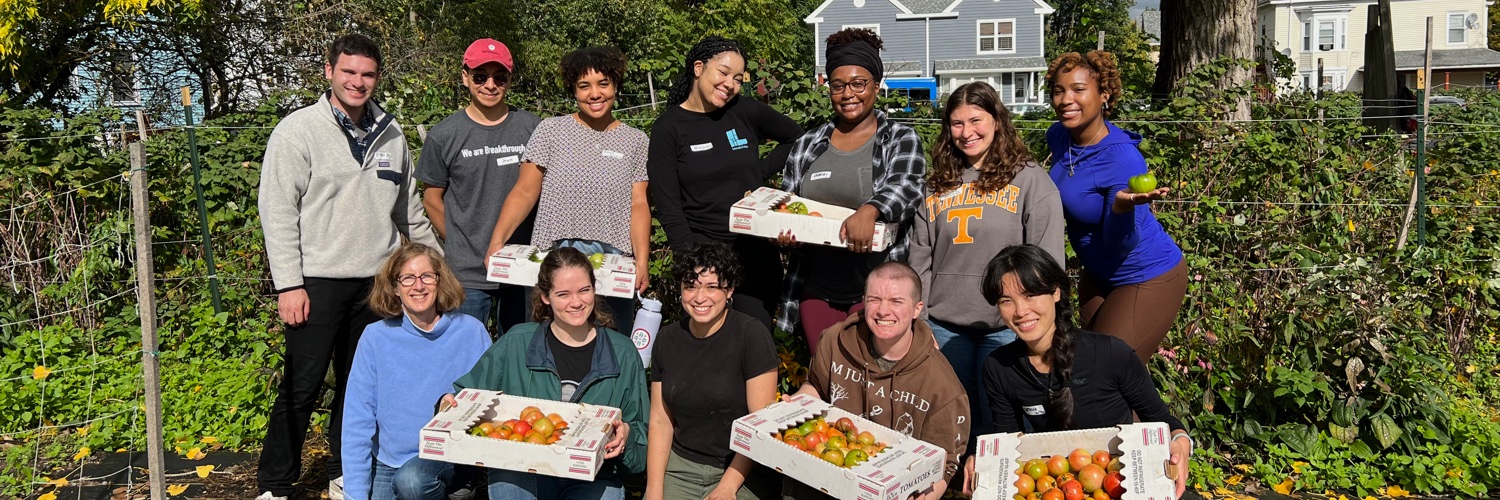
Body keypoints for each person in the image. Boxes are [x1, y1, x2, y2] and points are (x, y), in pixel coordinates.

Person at [256, 33, 440, 500]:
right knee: (303, 384)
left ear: (378, 77)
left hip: (377, 283)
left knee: (360, 388)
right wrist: (289, 284)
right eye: (349, 72)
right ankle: (275, 484)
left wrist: (438, 266)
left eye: (368, 74)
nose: (358, 82)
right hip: (316, 282)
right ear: (329, 72)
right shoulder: (298, 131)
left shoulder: (392, 135)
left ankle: (347, 473)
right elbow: (277, 211)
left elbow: (409, 212)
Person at [960, 244, 1191, 498]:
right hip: (1054, 487)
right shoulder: (999, 367)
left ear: (1056, 292)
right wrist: (985, 461)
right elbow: (1008, 441)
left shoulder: (1111, 354)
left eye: (1030, 295)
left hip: (1121, 483)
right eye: (1006, 301)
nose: (1021, 311)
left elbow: (1163, 420)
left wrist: (1181, 442)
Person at [908, 81, 1065, 443]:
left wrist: (1035, 320)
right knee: (956, 416)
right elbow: (920, 257)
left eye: (976, 120)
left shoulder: (1030, 181)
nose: (967, 133)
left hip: (1007, 324)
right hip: (946, 324)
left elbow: (1046, 258)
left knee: (1004, 421)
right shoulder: (936, 185)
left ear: (997, 120)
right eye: (957, 123)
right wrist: (922, 319)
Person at [447, 247, 647, 500]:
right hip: (522, 468)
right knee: (509, 486)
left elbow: (641, 441)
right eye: (563, 294)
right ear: (545, 297)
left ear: (595, 290)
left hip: (594, 476)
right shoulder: (517, 342)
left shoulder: (623, 353)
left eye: (584, 290)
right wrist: (449, 404)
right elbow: (468, 396)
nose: (576, 302)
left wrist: (626, 437)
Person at [775, 28, 926, 350]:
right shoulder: (806, 145)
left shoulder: (899, 138)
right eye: (838, 85)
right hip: (816, 290)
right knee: (829, 379)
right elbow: (790, 203)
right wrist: (783, 233)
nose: (848, 94)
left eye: (859, 84)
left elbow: (908, 187)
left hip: (878, 293)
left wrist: (870, 210)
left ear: (876, 85)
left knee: (877, 381)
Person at [486, 46, 650, 329]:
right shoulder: (551, 131)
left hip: (613, 261)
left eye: (603, 84)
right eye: (584, 86)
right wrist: (497, 241)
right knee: (549, 341)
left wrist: (642, 260)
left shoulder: (636, 140)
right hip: (555, 253)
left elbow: (639, 204)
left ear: (616, 85)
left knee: (611, 343)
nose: (594, 94)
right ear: (573, 91)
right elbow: (525, 191)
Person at [647, 36, 804, 331]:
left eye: (737, 78)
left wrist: (757, 175)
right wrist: (695, 268)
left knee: (754, 344)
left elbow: (797, 138)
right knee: (707, 353)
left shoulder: (744, 111)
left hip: (755, 255)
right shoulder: (669, 129)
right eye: (723, 72)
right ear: (698, 68)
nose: (730, 84)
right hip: (703, 257)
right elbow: (669, 209)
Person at [1045, 51, 1187, 363]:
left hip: (1144, 274)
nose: (1066, 99)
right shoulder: (1059, 137)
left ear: (1104, 96)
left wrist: (1121, 209)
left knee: (1106, 376)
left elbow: (1119, 246)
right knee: (1086, 374)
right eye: (1059, 90)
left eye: (1079, 90)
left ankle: (1156, 416)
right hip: (1097, 275)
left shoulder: (1121, 159)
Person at [787, 262, 969, 500]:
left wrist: (930, 493)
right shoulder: (834, 341)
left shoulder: (942, 384)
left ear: (917, 309)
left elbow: (945, 461)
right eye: (874, 299)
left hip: (895, 486)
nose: (883, 311)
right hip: (829, 471)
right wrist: (796, 405)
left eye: (896, 301)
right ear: (863, 300)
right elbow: (815, 385)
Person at [341, 243, 491, 500]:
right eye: (407, 278)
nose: (418, 286)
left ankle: (458, 489)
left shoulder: (471, 331)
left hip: (449, 456)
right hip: (390, 461)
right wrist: (354, 494)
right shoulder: (375, 337)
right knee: (401, 481)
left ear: (439, 281)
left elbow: (492, 403)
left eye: (426, 276)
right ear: (395, 288)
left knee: (412, 482)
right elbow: (357, 418)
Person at [418, 38, 543, 336]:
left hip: (522, 265)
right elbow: (432, 199)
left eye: (499, 77)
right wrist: (462, 242)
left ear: (510, 80)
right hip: (468, 273)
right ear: (465, 76)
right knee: (464, 356)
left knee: (520, 352)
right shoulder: (444, 135)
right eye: (480, 76)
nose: (490, 84)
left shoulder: (533, 127)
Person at [644, 241, 780, 500]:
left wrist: (727, 487)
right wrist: (653, 490)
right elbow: (661, 421)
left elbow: (760, 425)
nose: (699, 297)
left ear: (729, 290)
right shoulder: (667, 339)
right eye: (691, 287)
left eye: (712, 287)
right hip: (681, 466)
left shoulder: (751, 335)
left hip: (742, 469)